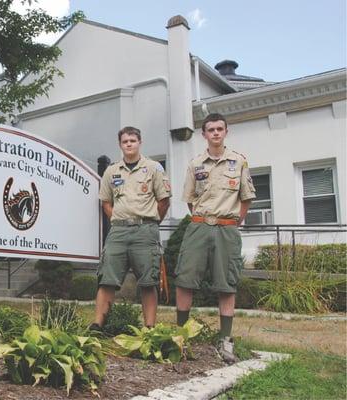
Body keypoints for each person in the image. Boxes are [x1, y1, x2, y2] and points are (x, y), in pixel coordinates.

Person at [174, 113, 255, 363]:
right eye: (211, 129)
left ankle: (225, 340)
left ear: (226, 132)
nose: (216, 133)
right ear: (204, 134)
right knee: (185, 279)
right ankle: (181, 337)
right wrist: (204, 219)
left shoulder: (239, 162)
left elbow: (246, 197)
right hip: (199, 226)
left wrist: (234, 220)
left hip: (226, 229)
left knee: (226, 283)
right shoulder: (195, 164)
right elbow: (189, 200)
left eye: (220, 129)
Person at [90, 126, 171, 331]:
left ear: (139, 142)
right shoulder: (112, 171)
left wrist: (151, 223)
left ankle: (150, 328)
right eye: (125, 141)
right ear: (120, 144)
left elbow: (163, 201)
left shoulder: (154, 168)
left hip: (145, 230)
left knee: (148, 282)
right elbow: (105, 202)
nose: (129, 144)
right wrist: (118, 218)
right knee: (106, 279)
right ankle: (98, 325)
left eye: (132, 141)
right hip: (118, 232)